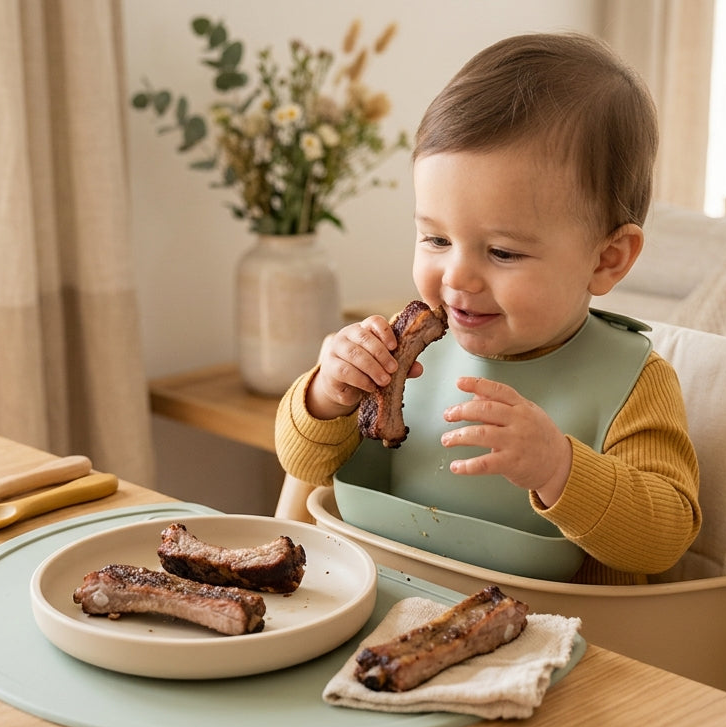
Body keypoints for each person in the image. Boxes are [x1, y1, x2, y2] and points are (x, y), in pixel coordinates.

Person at [274, 32, 700, 585]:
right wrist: (327, 395)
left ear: (607, 259)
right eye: (435, 240)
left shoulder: (633, 382)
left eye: (502, 251)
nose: (456, 277)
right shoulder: (406, 348)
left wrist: (560, 469)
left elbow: (663, 538)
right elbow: (302, 466)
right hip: (379, 599)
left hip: (550, 641)